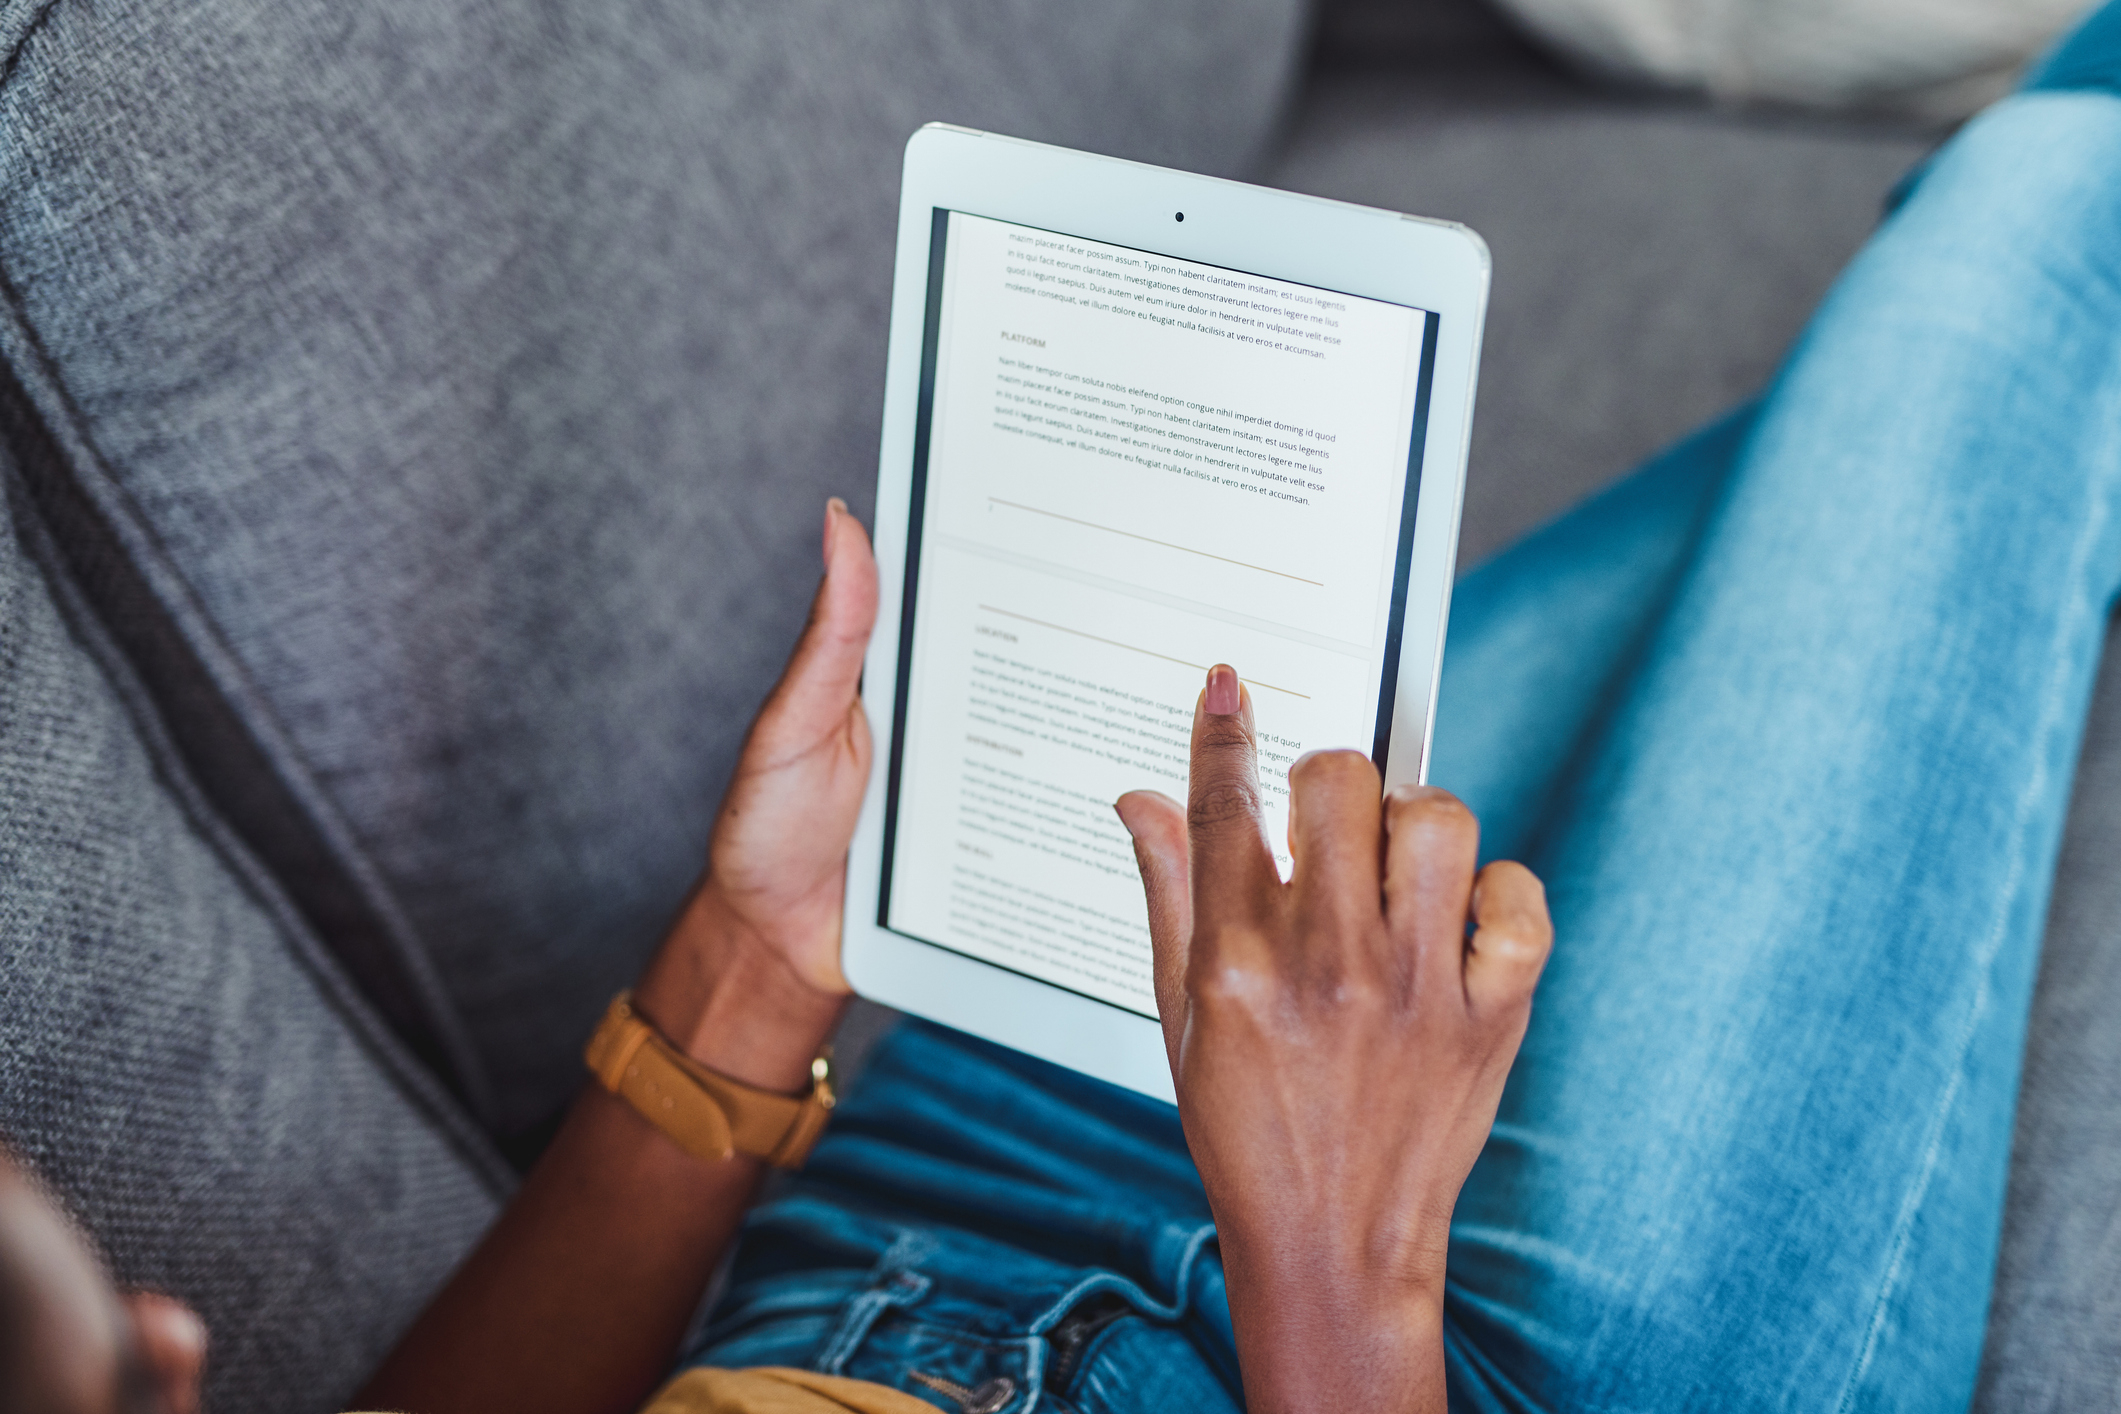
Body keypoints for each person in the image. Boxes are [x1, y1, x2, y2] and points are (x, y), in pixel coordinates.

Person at [4, 5, 2118, 1411]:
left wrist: (759, 955)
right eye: (111, 1373)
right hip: (1412, 1352)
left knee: (1896, 408)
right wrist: (1340, 1257)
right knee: (2015, 265)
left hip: (906, 1213)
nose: (177, 1334)